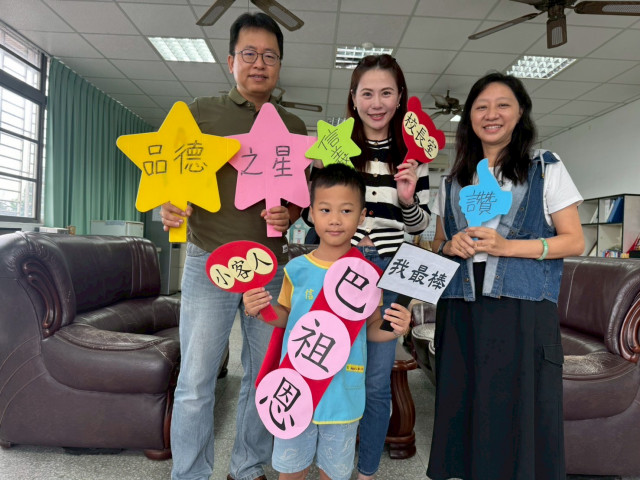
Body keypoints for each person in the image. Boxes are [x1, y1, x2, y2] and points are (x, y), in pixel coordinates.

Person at [160, 12, 306, 480]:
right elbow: (170, 176)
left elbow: (299, 197)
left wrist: (290, 215)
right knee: (195, 382)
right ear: (230, 61)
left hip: (270, 268)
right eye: (249, 53)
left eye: (270, 56)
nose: (259, 63)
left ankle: (246, 468)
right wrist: (168, 204)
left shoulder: (293, 124)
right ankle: (190, 474)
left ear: (279, 64)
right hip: (209, 260)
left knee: (263, 376)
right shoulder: (200, 113)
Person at [427, 72, 584, 480]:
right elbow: (439, 243)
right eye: (481, 107)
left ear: (520, 114)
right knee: (465, 406)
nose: (491, 114)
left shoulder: (544, 168)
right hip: (461, 307)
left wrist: (506, 246)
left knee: (519, 411)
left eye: (502, 105)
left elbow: (574, 240)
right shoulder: (453, 179)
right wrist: (450, 245)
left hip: (521, 309)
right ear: (469, 117)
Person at [242, 163, 412, 480]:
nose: (335, 219)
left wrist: (395, 328)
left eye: (346, 210)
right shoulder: (296, 269)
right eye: (325, 210)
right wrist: (261, 309)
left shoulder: (368, 275)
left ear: (362, 217)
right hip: (296, 388)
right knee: (290, 471)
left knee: (334, 473)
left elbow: (371, 329)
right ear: (311, 213)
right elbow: (286, 317)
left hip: (342, 393)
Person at [346, 54, 431, 480]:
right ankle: (333, 463)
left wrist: (408, 198)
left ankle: (366, 472)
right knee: (333, 372)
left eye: (386, 93)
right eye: (367, 93)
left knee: (376, 382)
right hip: (342, 268)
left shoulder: (414, 155)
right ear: (353, 98)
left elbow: (420, 225)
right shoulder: (337, 147)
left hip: (390, 274)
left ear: (400, 99)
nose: (376, 103)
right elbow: (312, 213)